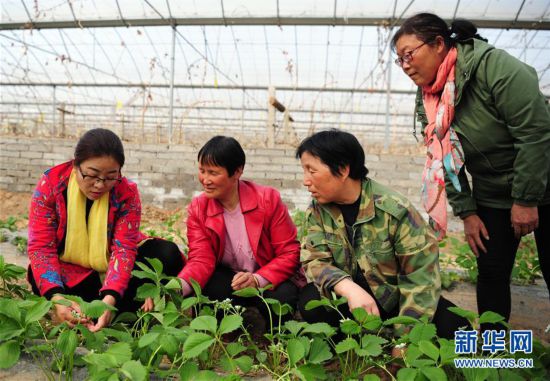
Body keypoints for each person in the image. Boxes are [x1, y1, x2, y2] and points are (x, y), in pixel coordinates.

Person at [391, 13, 550, 328]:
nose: (406, 65)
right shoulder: (429, 97)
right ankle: (492, 354)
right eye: (400, 60)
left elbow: (534, 135)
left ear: (438, 44)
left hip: (543, 179)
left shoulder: (496, 69)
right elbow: (443, 159)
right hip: (492, 191)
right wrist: (468, 212)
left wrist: (526, 199)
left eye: (409, 54)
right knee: (491, 270)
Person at [296, 130, 468, 342]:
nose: (305, 181)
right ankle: (361, 340)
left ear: (341, 170)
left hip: (396, 299)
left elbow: (421, 278)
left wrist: (406, 340)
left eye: (311, 171)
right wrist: (348, 288)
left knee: (455, 325)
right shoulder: (318, 210)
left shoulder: (394, 210)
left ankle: (387, 336)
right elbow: (315, 260)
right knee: (310, 302)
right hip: (353, 301)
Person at [27, 128, 184, 331]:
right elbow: (41, 248)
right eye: (92, 176)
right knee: (43, 278)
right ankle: (117, 308)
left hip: (111, 263)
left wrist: (110, 296)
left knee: (167, 254)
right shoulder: (51, 185)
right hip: (72, 269)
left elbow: (123, 249)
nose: (100, 185)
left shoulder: (126, 192)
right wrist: (58, 299)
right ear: (75, 166)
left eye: (111, 177)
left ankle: (111, 306)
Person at [177, 136, 306, 321]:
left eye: (213, 173)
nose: (205, 180)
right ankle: (225, 331)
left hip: (267, 275)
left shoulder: (267, 200)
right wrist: (175, 288)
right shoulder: (199, 208)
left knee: (282, 300)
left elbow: (289, 253)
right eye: (202, 171)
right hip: (231, 277)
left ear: (237, 171)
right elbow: (200, 259)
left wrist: (257, 279)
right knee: (208, 288)